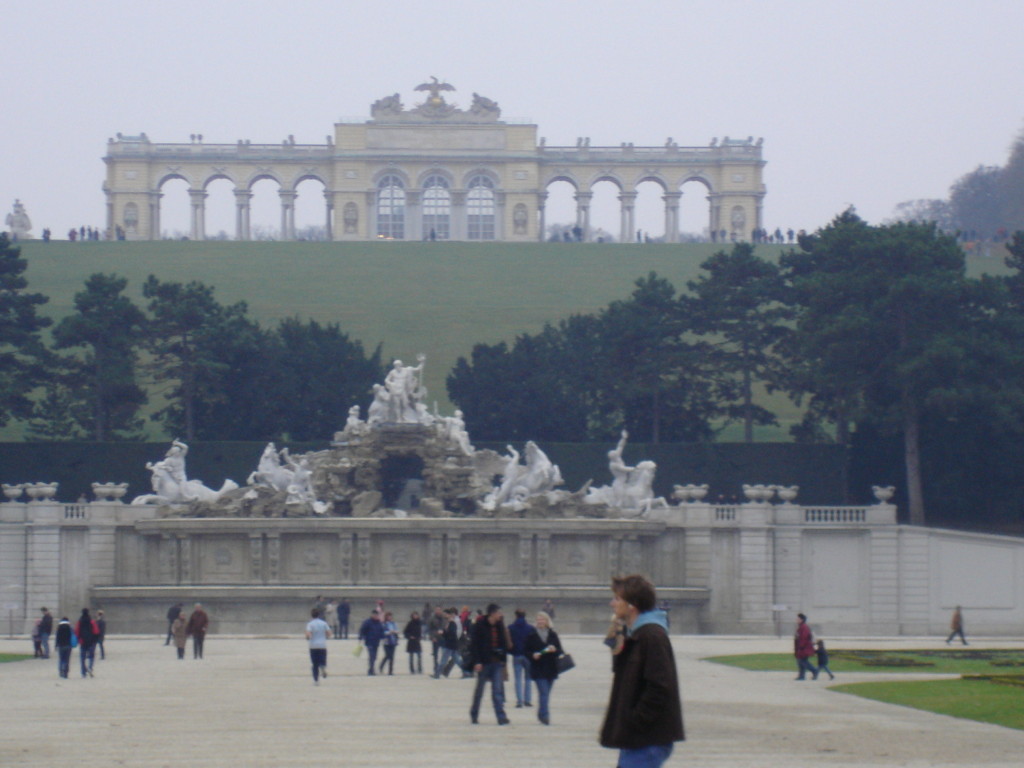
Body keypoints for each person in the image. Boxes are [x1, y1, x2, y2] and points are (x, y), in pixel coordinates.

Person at [600, 574, 684, 768]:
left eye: (617, 599)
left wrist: (636, 720)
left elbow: (660, 685)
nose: (612, 603)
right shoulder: (636, 633)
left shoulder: (652, 635)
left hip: (647, 738)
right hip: (637, 739)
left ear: (632, 604)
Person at [468, 603, 510, 725]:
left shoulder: (500, 625)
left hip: (496, 663)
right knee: (479, 691)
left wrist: (503, 660)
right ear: (492, 613)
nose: (501, 615)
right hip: (483, 663)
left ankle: (501, 717)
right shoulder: (480, 626)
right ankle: (474, 714)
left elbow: (503, 644)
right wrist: (477, 662)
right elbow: (474, 645)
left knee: (497, 691)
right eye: (499, 613)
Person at [525, 611, 563, 725]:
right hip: (538, 668)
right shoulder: (531, 635)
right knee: (544, 693)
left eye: (542, 619)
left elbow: (560, 650)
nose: (540, 621)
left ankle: (541, 713)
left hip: (551, 668)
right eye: (538, 619)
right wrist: (532, 655)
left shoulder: (553, 635)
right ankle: (545, 716)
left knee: (545, 694)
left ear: (547, 621)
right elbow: (526, 650)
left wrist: (555, 649)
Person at [507, 608, 533, 709]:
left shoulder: (511, 627)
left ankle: (519, 701)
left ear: (516, 615)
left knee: (518, 679)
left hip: (517, 655)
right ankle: (528, 700)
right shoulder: (530, 628)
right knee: (528, 679)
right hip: (528, 656)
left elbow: (508, 642)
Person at [305, 608, 332, 685]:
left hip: (313, 646)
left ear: (311, 615)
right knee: (322, 661)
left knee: (314, 664)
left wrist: (308, 637)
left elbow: (308, 634)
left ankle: (316, 680)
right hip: (322, 645)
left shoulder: (310, 624)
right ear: (319, 615)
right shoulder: (324, 623)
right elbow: (329, 633)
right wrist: (325, 636)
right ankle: (323, 667)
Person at [433, 608, 459, 678]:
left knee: (443, 661)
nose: (444, 615)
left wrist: (444, 633)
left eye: (445, 614)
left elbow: (452, 633)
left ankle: (437, 674)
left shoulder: (452, 623)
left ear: (449, 615)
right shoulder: (449, 623)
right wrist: (443, 633)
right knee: (458, 660)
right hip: (451, 644)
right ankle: (467, 672)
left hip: (450, 644)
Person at [358, 609, 384, 675]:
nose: (376, 616)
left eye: (377, 615)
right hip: (369, 642)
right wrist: (361, 638)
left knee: (374, 657)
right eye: (374, 615)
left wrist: (383, 638)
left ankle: (370, 669)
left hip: (376, 642)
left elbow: (381, 631)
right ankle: (371, 670)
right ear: (372, 615)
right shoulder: (367, 622)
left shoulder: (379, 623)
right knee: (371, 656)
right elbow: (362, 630)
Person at [794, 613, 818, 680]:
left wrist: (801, 647)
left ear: (801, 620)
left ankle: (814, 670)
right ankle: (802, 676)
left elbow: (804, 638)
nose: (796, 620)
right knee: (800, 661)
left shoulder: (804, 627)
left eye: (798, 619)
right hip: (802, 648)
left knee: (802, 661)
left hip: (804, 648)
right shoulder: (801, 627)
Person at [76, 608, 99, 678]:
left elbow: (77, 631)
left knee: (82, 657)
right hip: (91, 641)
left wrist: (79, 639)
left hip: (82, 641)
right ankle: (90, 667)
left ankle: (83, 672)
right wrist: (95, 639)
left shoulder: (79, 621)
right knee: (91, 656)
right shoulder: (92, 621)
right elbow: (96, 631)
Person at [427, 605, 446, 675]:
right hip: (435, 638)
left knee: (444, 654)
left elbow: (446, 627)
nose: (438, 611)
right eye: (437, 610)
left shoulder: (444, 618)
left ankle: (441, 668)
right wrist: (432, 637)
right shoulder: (432, 618)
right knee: (435, 655)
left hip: (443, 638)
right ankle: (436, 668)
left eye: (439, 610)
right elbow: (429, 629)